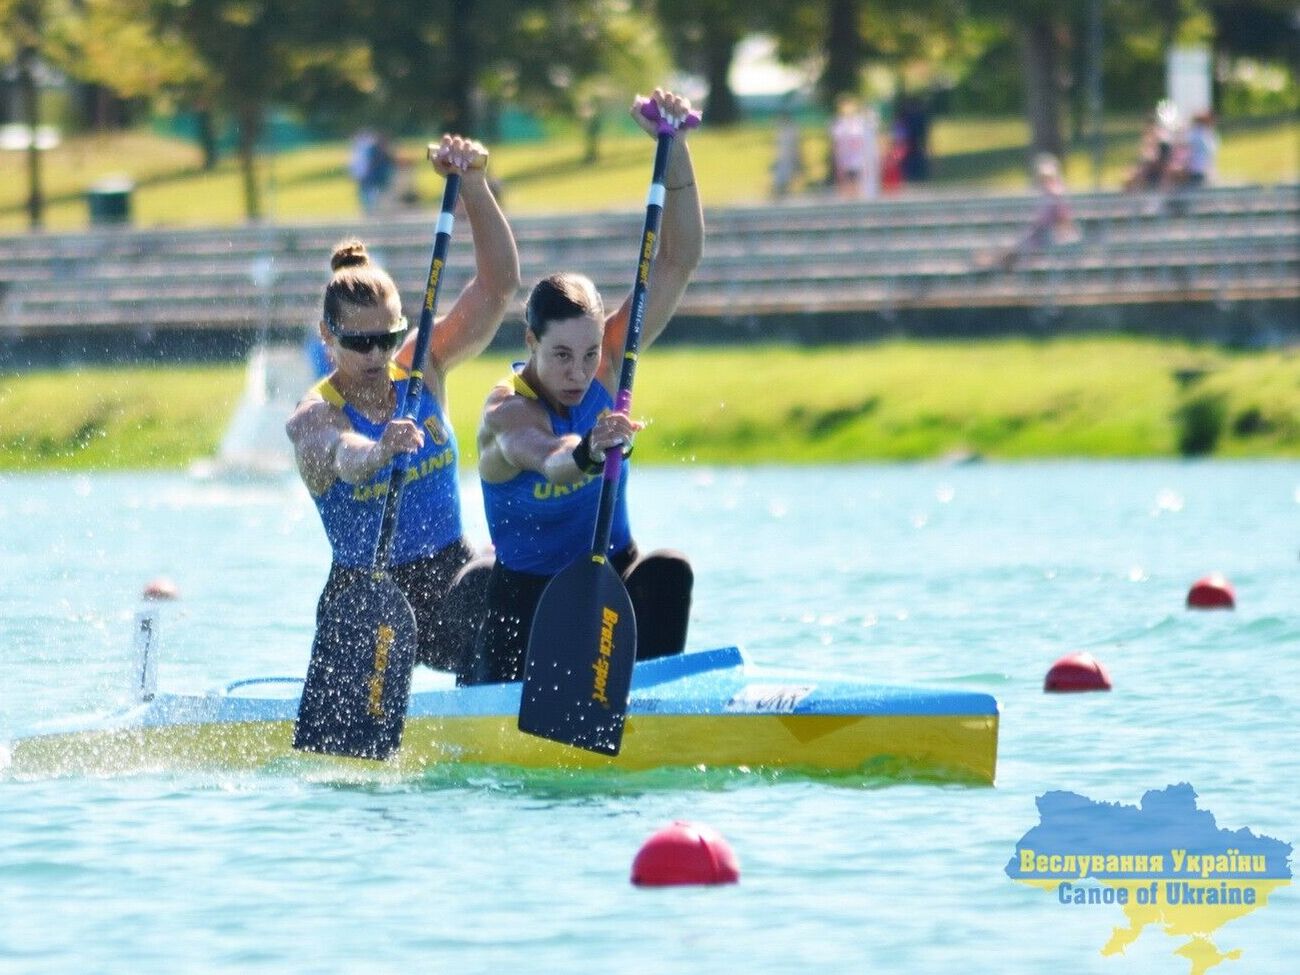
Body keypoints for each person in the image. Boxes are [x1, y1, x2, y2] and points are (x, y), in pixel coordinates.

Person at [462, 87, 703, 686]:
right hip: (529, 597)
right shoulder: (506, 415)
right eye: (562, 355)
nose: (579, 371)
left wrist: (673, 151)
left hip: (607, 577)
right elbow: (551, 459)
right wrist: (593, 448)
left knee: (669, 569)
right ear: (531, 344)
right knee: (490, 590)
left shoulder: (610, 363)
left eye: (590, 353)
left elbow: (678, 259)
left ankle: (649, 706)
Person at [286, 133, 520, 673]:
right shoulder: (313, 417)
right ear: (328, 335)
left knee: (504, 571)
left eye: (386, 338)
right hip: (366, 600)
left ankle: (497, 702)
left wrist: (475, 185)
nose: (376, 354)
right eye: (358, 342)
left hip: (451, 582)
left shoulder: (422, 368)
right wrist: (377, 451)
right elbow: (343, 455)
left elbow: (499, 284)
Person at [980, 153, 1080, 272]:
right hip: (1042, 233)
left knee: (1020, 247)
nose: (1044, 182)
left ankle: (993, 263)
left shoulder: (1055, 195)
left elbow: (1059, 219)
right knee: (1017, 245)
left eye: (1046, 178)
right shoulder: (1050, 195)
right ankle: (994, 263)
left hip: (1049, 235)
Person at [830, 95, 869, 199]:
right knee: (845, 185)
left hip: (857, 160)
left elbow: (862, 142)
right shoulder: (839, 124)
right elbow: (836, 143)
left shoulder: (859, 123)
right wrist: (838, 159)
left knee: (857, 184)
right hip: (844, 160)